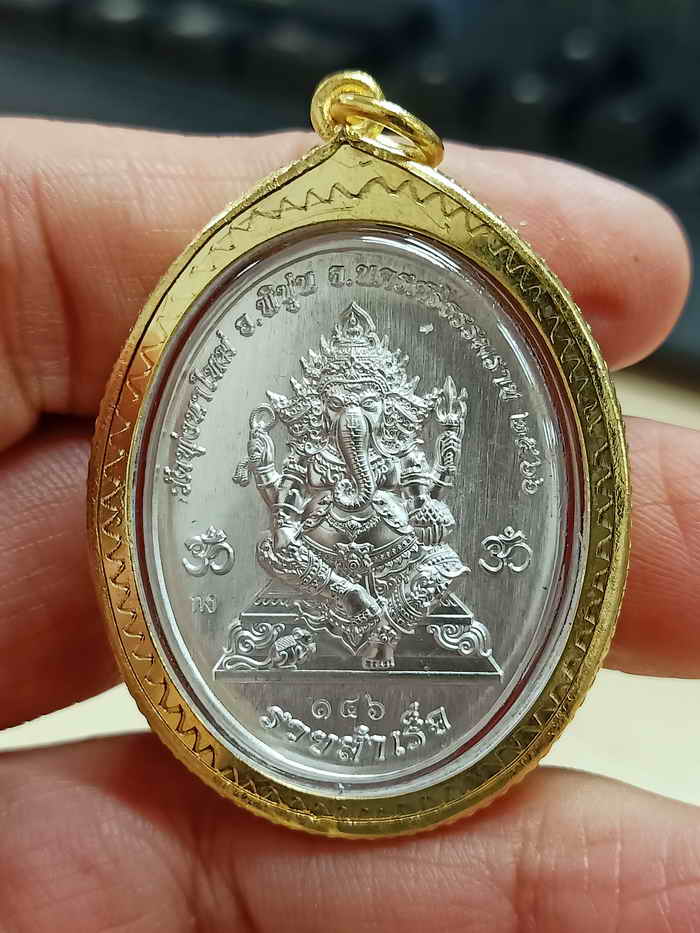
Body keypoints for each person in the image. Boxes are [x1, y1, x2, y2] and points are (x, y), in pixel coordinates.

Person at [0, 119, 696, 932]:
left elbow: (427, 508)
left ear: (388, 404)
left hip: (386, 539)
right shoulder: (313, 446)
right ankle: (361, 611)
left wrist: (423, 472)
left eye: (367, 409)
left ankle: (376, 618)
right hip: (328, 541)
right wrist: (298, 493)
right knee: (283, 551)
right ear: (318, 405)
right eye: (341, 409)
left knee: (438, 559)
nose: (355, 421)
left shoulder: (392, 441)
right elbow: (292, 522)